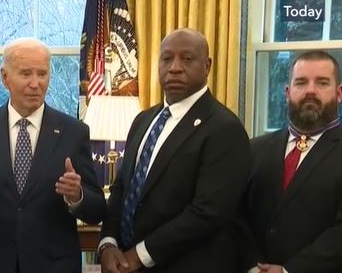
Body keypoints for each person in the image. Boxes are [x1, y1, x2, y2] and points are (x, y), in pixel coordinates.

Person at [0, 38, 106, 273]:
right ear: (4, 77)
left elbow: (97, 209)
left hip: (55, 266)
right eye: (26, 74)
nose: (35, 83)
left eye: (42, 74)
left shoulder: (74, 132)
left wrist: (77, 196)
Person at [98, 28, 251, 273]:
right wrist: (108, 243)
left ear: (207, 66)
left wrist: (139, 255)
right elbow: (121, 188)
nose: (175, 67)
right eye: (167, 59)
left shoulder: (225, 128)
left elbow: (208, 212)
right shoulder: (143, 120)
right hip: (126, 263)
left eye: (187, 59)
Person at [239, 50, 342, 273]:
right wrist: (254, 266)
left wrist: (287, 271)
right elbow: (237, 219)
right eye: (301, 82)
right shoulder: (254, 149)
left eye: (322, 83)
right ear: (287, 92)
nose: (310, 90)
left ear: (339, 93)